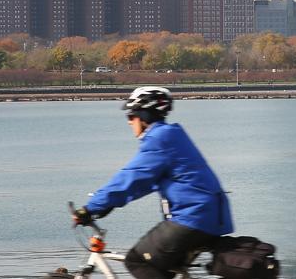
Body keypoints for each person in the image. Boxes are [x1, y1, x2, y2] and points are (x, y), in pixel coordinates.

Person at [72, 86, 233, 279]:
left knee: (137, 260)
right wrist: (109, 204)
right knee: (161, 268)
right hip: (208, 217)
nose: (129, 121)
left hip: (193, 217)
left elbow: (132, 177)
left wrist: (91, 208)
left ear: (143, 115)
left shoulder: (159, 139)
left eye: (131, 115)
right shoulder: (170, 136)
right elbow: (143, 183)